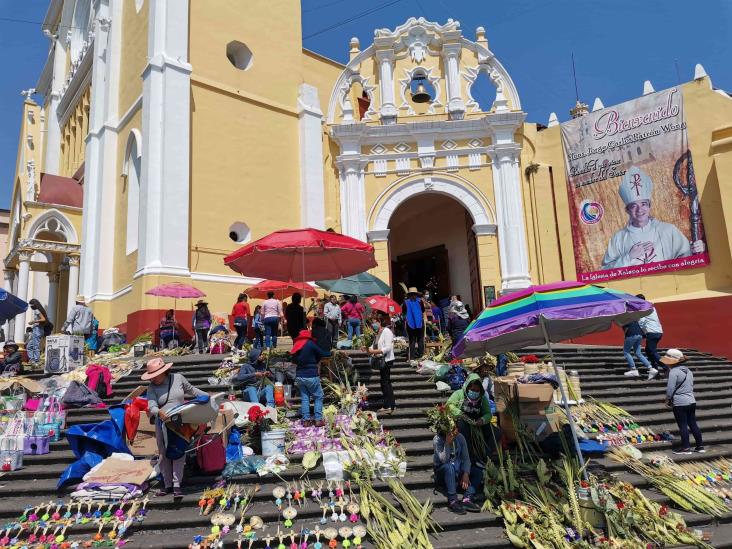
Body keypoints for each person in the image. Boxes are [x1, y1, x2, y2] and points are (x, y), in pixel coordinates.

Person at [602, 166, 704, 269]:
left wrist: (695, 251)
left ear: (649, 206)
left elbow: (687, 258)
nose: (639, 209)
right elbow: (605, 272)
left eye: (643, 204)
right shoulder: (618, 239)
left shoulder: (669, 230)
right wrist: (629, 257)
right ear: (627, 210)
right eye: (633, 206)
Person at [143, 357, 206, 498]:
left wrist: (208, 397)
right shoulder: (151, 387)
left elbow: (192, 390)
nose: (152, 379)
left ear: (163, 372)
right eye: (151, 376)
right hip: (163, 423)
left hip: (179, 422)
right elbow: (151, 405)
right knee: (163, 453)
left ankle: (177, 485)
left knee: (179, 450)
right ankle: (167, 485)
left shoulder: (178, 378)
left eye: (155, 376)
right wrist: (159, 412)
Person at [446, 373, 497, 464]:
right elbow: (449, 405)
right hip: (463, 421)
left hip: (477, 423)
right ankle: (470, 457)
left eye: (477, 390)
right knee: (463, 429)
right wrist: (460, 413)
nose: (475, 392)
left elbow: (488, 414)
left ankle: (486, 456)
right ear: (467, 387)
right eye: (472, 389)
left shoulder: (482, 398)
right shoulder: (459, 394)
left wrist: (482, 420)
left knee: (496, 433)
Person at [433, 423, 482, 515]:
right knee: (449, 467)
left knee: (478, 472)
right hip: (444, 472)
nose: (457, 430)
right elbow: (444, 460)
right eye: (454, 428)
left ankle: (467, 498)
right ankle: (453, 500)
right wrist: (447, 443)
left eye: (456, 427)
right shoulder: (437, 439)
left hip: (457, 470)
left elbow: (466, 459)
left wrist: (466, 473)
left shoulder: (460, 437)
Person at [663, 349, 704, 454]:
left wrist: (667, 399)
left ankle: (686, 448)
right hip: (691, 400)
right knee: (693, 423)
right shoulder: (689, 371)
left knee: (682, 425)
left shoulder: (673, 372)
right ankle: (700, 446)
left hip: (680, 402)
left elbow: (670, 389)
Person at [291, 329, 330, 427]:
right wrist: (330, 352)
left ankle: (306, 421)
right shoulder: (310, 343)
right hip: (311, 375)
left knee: (305, 398)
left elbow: (293, 360)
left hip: (300, 376)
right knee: (318, 396)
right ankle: (318, 420)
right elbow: (322, 353)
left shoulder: (296, 345)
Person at [367, 316, 396, 414]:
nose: (373, 324)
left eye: (374, 321)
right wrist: (368, 348)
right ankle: (389, 404)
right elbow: (374, 344)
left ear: (379, 321)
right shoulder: (378, 333)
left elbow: (388, 347)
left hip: (387, 360)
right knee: (384, 382)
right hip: (380, 359)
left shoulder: (387, 331)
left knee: (385, 382)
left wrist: (375, 351)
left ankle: (390, 405)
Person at [636, 294, 666, 377]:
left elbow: (641, 322)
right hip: (658, 331)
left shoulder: (643, 308)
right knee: (648, 350)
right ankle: (655, 369)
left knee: (652, 351)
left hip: (652, 332)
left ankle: (665, 367)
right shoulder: (650, 306)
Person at [403, 287, 425, 360]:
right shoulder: (420, 301)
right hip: (420, 323)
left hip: (410, 324)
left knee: (412, 341)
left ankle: (412, 357)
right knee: (420, 340)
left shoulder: (405, 302)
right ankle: (421, 356)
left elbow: (404, 312)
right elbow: (423, 310)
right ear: (416, 294)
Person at [26, 299, 49, 364]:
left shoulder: (36, 310)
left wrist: (34, 321)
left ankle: (36, 361)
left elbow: (43, 319)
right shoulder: (39, 310)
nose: (30, 306)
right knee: (29, 346)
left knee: (35, 346)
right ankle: (32, 360)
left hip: (37, 330)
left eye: (31, 305)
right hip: (38, 330)